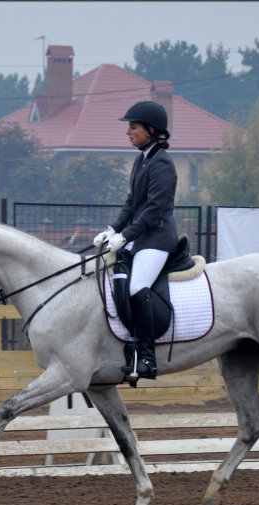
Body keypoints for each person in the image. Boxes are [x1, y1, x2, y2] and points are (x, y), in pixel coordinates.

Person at [93, 100, 178, 380]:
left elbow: (153, 211)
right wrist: (112, 230)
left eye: (133, 127)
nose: (128, 132)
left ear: (151, 130)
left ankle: (147, 358)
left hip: (157, 238)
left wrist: (126, 236)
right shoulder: (142, 160)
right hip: (140, 237)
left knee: (137, 286)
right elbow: (132, 204)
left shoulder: (162, 164)